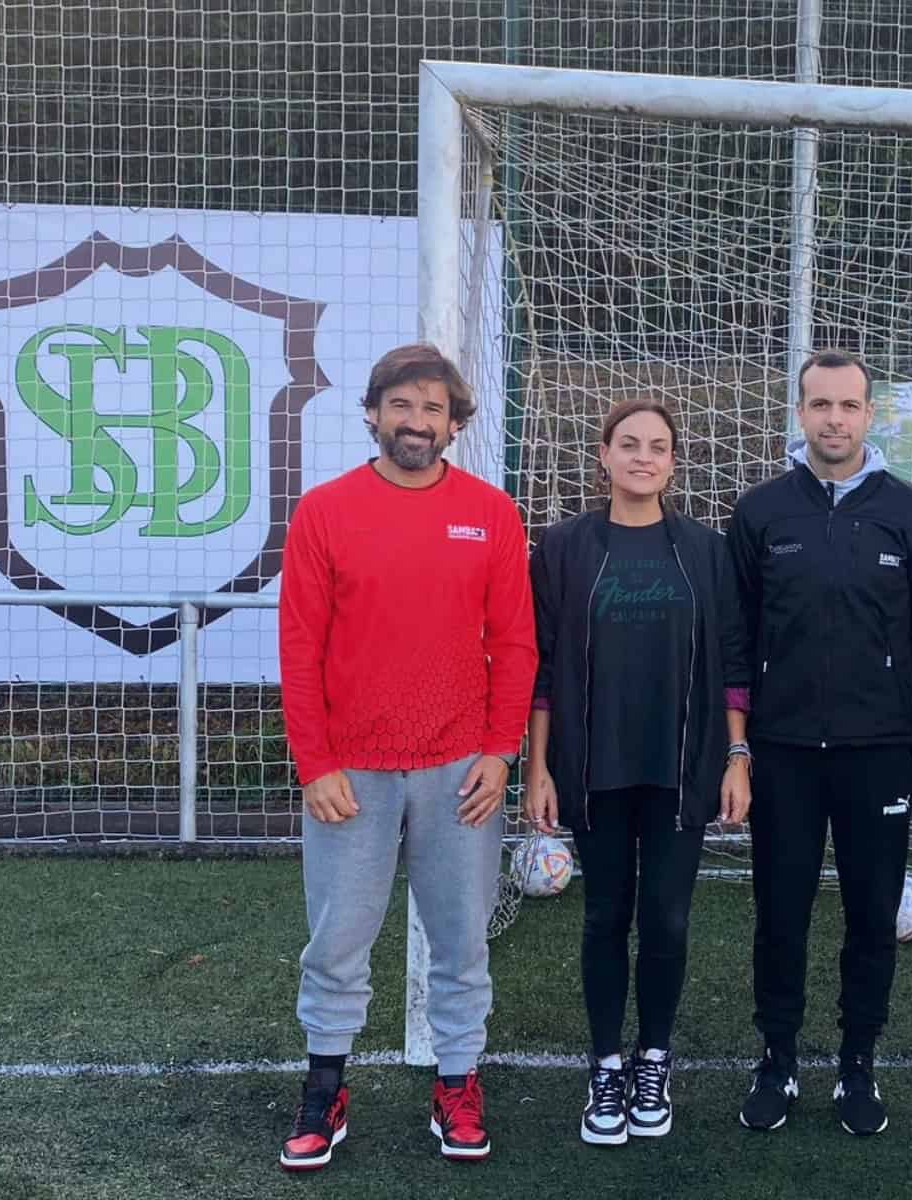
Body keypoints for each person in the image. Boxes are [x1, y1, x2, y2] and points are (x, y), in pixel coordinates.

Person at [276, 343, 537, 1171]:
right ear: (373, 412)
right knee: (338, 940)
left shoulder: (492, 514)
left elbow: (518, 644)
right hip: (350, 773)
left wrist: (501, 753)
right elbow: (299, 647)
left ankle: (457, 1084)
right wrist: (314, 762)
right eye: (401, 404)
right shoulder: (324, 511)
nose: (415, 421)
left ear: (455, 424)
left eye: (432, 408)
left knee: (461, 940)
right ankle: (325, 1088)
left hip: (460, 770)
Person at [728, 349, 912, 1136]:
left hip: (877, 749)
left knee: (869, 914)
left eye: (848, 406)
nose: (834, 419)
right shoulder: (761, 511)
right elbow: (740, 627)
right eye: (819, 405)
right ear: (799, 413)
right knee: (779, 912)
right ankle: (778, 1059)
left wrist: (882, 683)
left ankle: (858, 1064)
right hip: (783, 748)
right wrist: (745, 740)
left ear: (869, 414)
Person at [522, 397, 752, 1146]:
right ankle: (606, 1065)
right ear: (604, 455)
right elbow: (543, 668)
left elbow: (734, 664)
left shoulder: (706, 551)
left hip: (682, 764)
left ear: (674, 462)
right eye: (628, 444)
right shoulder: (562, 548)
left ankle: (655, 1056)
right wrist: (538, 769)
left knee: (668, 916)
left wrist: (737, 755)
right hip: (592, 765)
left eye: (657, 446)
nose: (643, 457)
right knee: (603, 916)